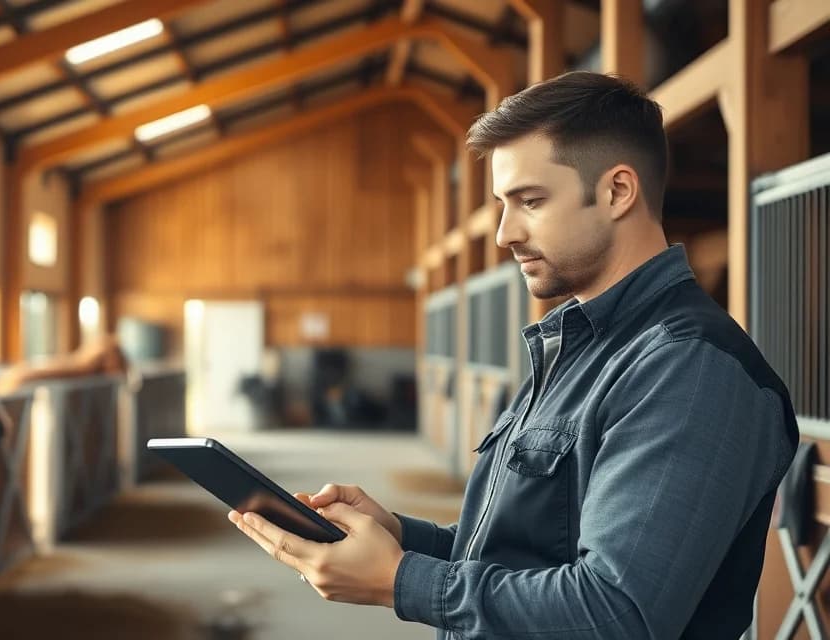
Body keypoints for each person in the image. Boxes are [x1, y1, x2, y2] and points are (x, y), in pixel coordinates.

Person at [228, 71, 798, 638]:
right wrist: (402, 538)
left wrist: (400, 580)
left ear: (618, 191)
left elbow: (616, 613)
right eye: (503, 203)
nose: (503, 233)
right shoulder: (575, 344)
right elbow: (524, 552)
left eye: (530, 201)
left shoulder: (689, 370)